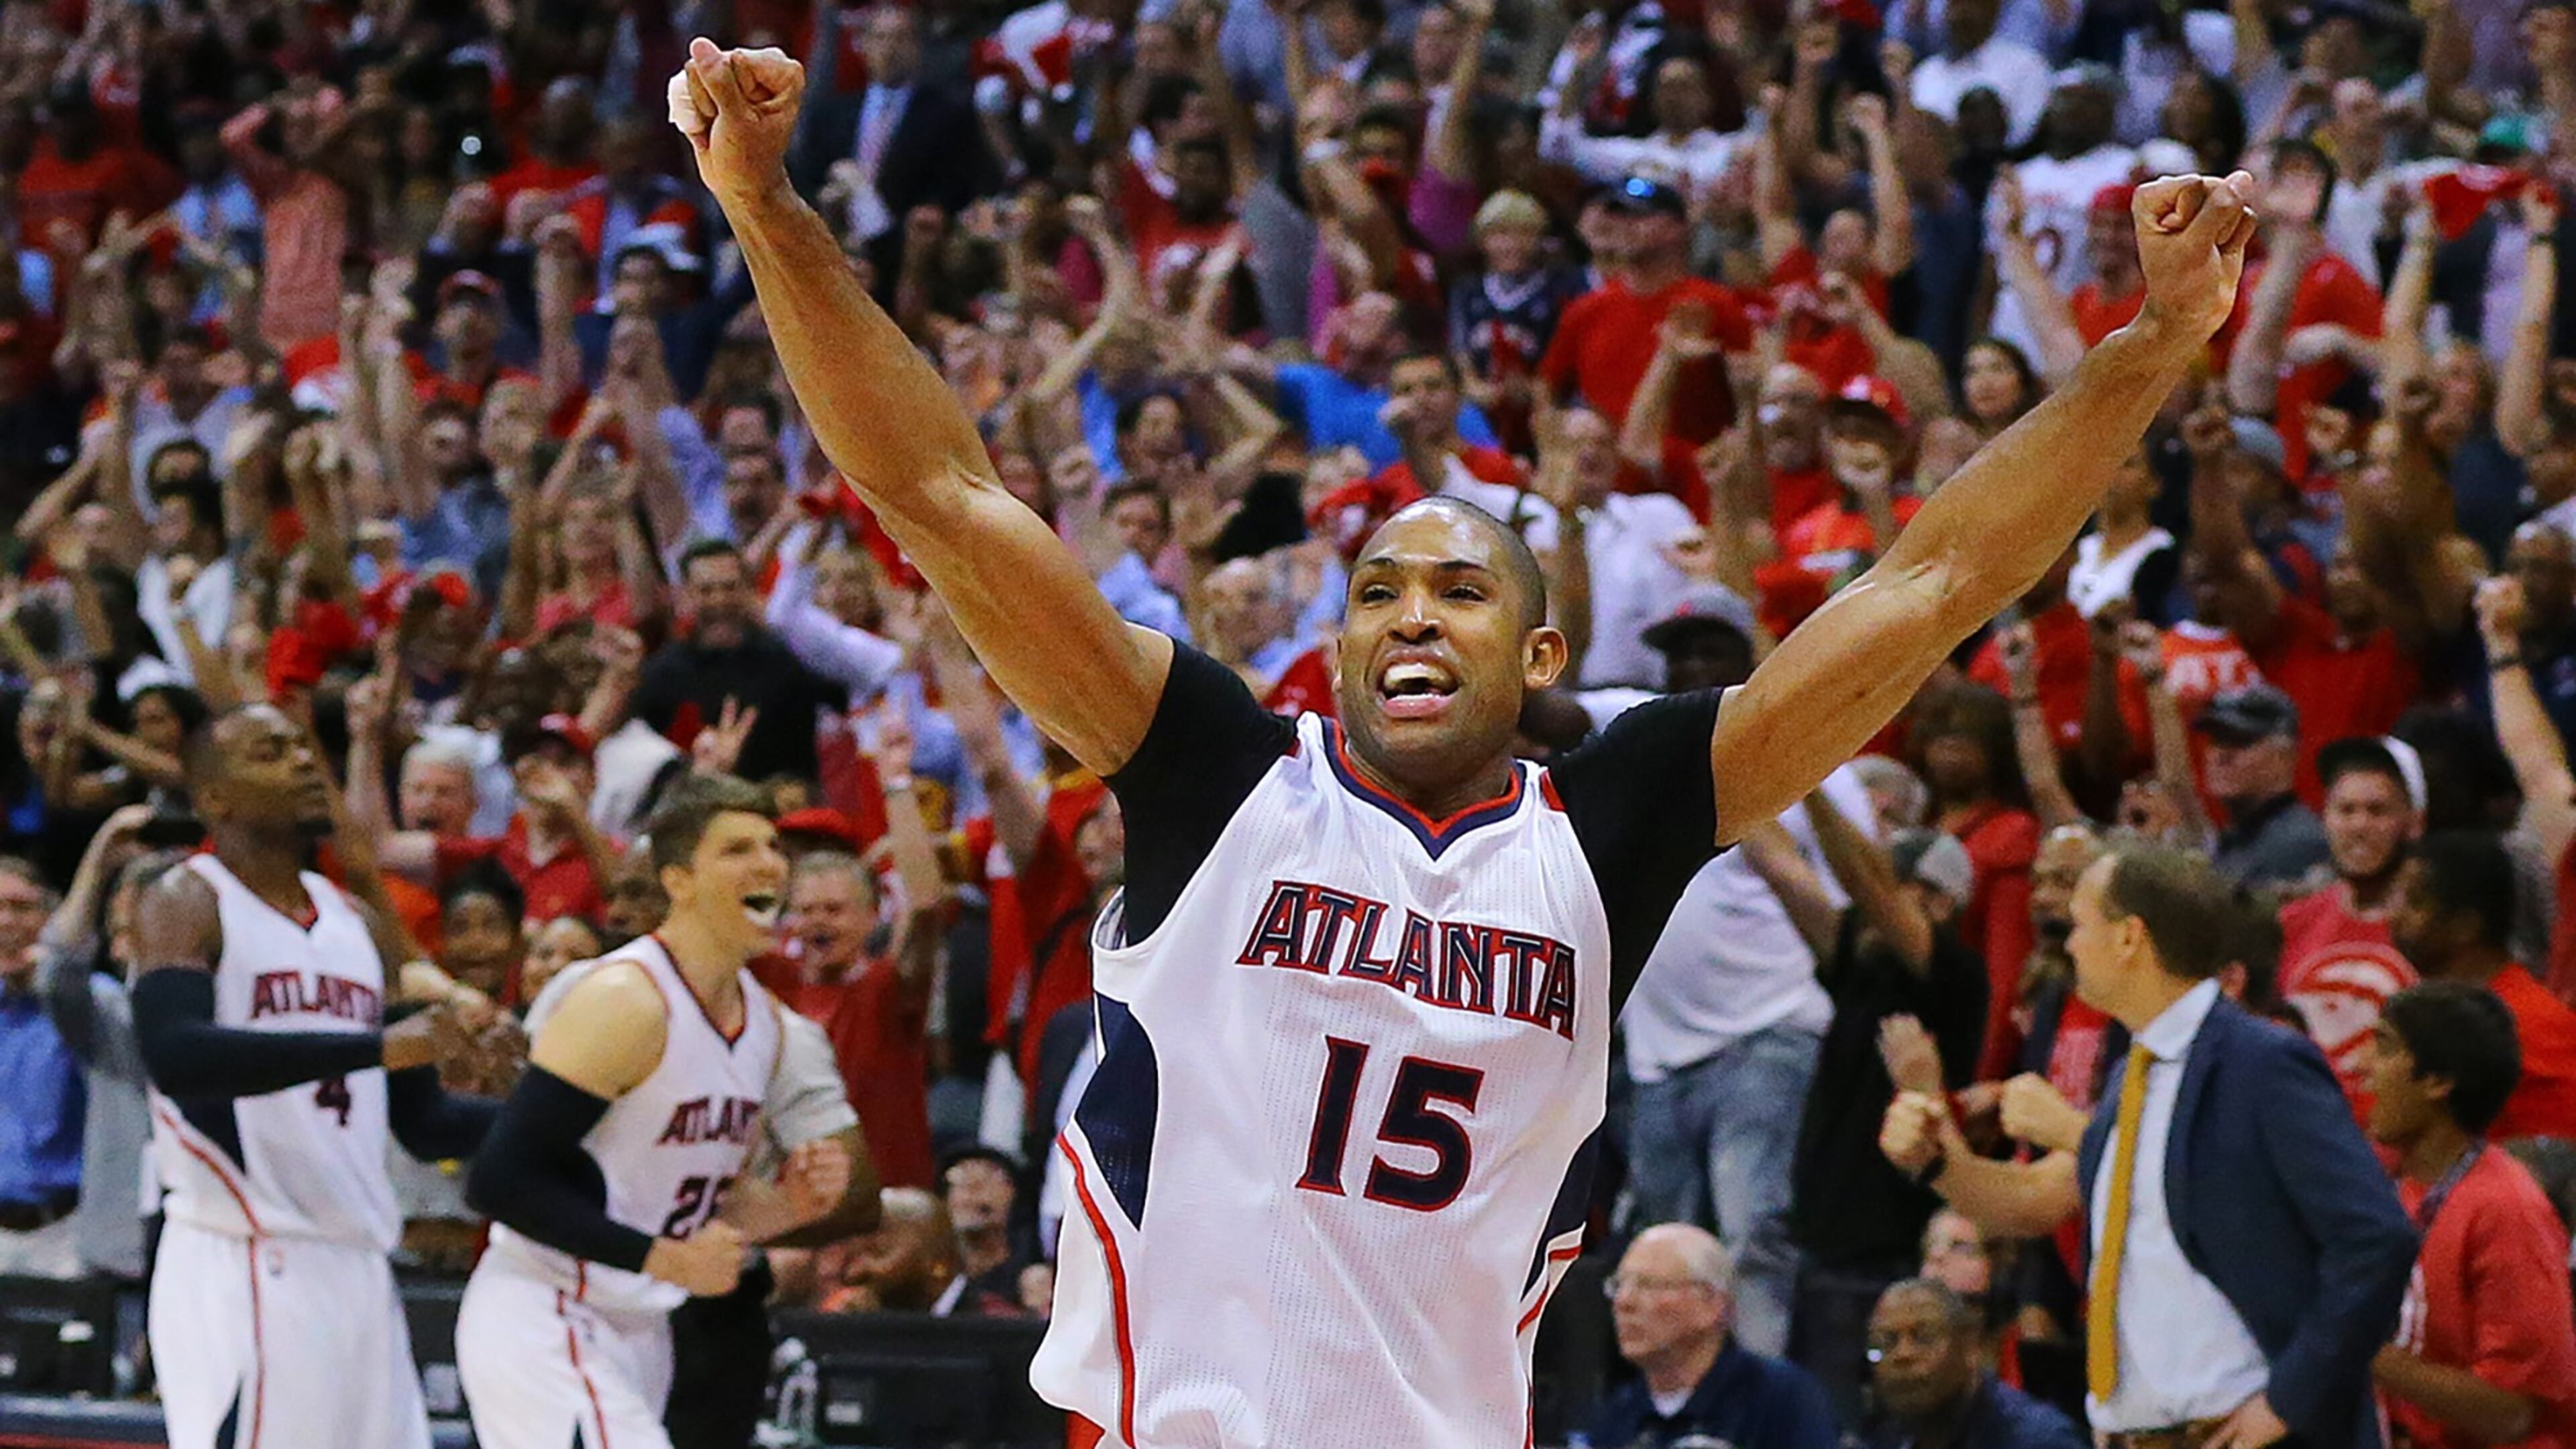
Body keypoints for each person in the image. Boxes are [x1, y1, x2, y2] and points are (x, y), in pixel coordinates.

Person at [672, 44, 2263, 1445]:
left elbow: (1933, 583)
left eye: (1457, 590)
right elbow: (941, 496)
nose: (1409, 616)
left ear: (1542, 653)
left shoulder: (1611, 818)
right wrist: (761, 206)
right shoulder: (1221, 771)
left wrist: (2154, 339)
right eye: (1376, 589)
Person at [1883, 843, 2416, 1449]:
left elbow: (2377, 1238)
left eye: (2083, 926)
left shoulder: (2260, 1063)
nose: (2069, 944)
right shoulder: (2132, 1075)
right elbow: (2034, 1201)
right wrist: (1935, 1162)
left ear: (2129, 939)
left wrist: (2289, 1398)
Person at [131, 704, 498, 1449]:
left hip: (359, 1266)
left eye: (304, 747)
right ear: (214, 798)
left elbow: (423, 1123)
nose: (303, 763)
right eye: (272, 752)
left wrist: (560, 1106)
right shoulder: (186, 898)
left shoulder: (357, 920)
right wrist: (373, 1047)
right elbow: (178, 1057)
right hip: (244, 1255)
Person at [455, 775, 856, 1449]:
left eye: (771, 846)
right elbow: (498, 1180)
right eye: (736, 849)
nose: (767, 863)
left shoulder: (765, 1025)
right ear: (679, 881)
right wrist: (663, 1259)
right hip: (548, 1313)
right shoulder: (627, 1001)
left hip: (639, 1330)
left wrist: (787, 1207)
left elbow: (678, 1200)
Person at [2360, 983, 2576, 1449]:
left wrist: (2356, 1346)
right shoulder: (2393, 1181)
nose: (2363, 1069)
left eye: (2384, 1048)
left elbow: (2509, 1413)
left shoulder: (2507, 1210)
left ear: (2438, 1082)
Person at [1576, 1224, 1846, 1449]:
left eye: (1648, 1285)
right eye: (1619, 1285)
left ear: (1713, 1304)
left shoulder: (1781, 1399)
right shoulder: (1619, 1414)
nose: (1624, 1303)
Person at [2388, 831, 2576, 1141]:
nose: (2394, 915)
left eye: (2415, 902)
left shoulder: (2530, 1031)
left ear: (2464, 926)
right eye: (2397, 897)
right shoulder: (2436, 1013)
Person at [2274, 736, 2426, 1114]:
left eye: (2377, 811)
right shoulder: (2292, 923)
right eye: (2345, 810)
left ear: (2413, 823)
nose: (2359, 825)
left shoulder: (2437, 929)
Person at [1863, 1279, 2088, 1449]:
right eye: (1887, 1341)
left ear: (1969, 1345)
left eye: (1924, 1337)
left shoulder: (2038, 1440)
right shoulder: (1882, 1437)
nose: (1903, 1354)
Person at [2195, 684, 2331, 888]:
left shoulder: (2299, 845)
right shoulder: (2236, 837)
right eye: (2217, 741)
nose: (2221, 755)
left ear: (2283, 758)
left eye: (2240, 742)